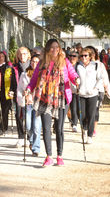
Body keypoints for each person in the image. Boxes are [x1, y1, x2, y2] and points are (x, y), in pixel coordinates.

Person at [26, 39, 79, 167]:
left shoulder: (65, 61)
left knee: (59, 128)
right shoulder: (42, 63)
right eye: (52, 47)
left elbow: (72, 74)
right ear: (48, 49)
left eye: (57, 47)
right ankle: (49, 156)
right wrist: (28, 90)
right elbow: (34, 80)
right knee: (46, 128)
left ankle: (59, 156)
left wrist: (76, 80)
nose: (55, 50)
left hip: (62, 98)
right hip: (45, 98)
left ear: (60, 49)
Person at [76, 47, 102, 144]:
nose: (83, 57)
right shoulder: (78, 66)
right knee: (81, 114)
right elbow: (74, 78)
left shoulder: (95, 65)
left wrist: (95, 89)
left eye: (85, 55)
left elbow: (100, 79)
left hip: (92, 94)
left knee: (91, 115)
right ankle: (85, 129)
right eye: (81, 56)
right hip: (81, 94)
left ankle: (90, 135)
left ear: (90, 56)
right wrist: (76, 85)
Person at [17, 54, 41, 156]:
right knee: (28, 125)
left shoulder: (42, 74)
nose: (34, 63)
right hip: (28, 103)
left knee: (36, 127)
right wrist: (22, 95)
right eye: (32, 61)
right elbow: (20, 88)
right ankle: (31, 141)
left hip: (38, 103)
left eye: (36, 61)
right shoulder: (24, 74)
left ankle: (36, 148)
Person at [0, 51, 17, 135]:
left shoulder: (9, 68)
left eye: (2, 56)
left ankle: (4, 127)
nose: (1, 58)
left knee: (5, 111)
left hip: (6, 93)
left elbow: (13, 81)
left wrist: (13, 90)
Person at [13, 47, 31, 148]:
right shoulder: (15, 67)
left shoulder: (32, 65)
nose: (22, 56)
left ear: (28, 55)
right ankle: (20, 137)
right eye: (20, 54)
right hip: (18, 94)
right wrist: (11, 91)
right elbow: (12, 80)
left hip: (29, 95)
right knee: (18, 115)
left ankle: (29, 137)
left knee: (28, 116)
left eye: (24, 54)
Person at [68, 50, 79, 132]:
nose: (72, 57)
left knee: (74, 107)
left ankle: (74, 123)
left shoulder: (79, 66)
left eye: (74, 56)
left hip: (75, 90)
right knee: (67, 109)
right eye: (71, 56)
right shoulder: (66, 65)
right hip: (66, 90)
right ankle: (70, 120)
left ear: (77, 58)